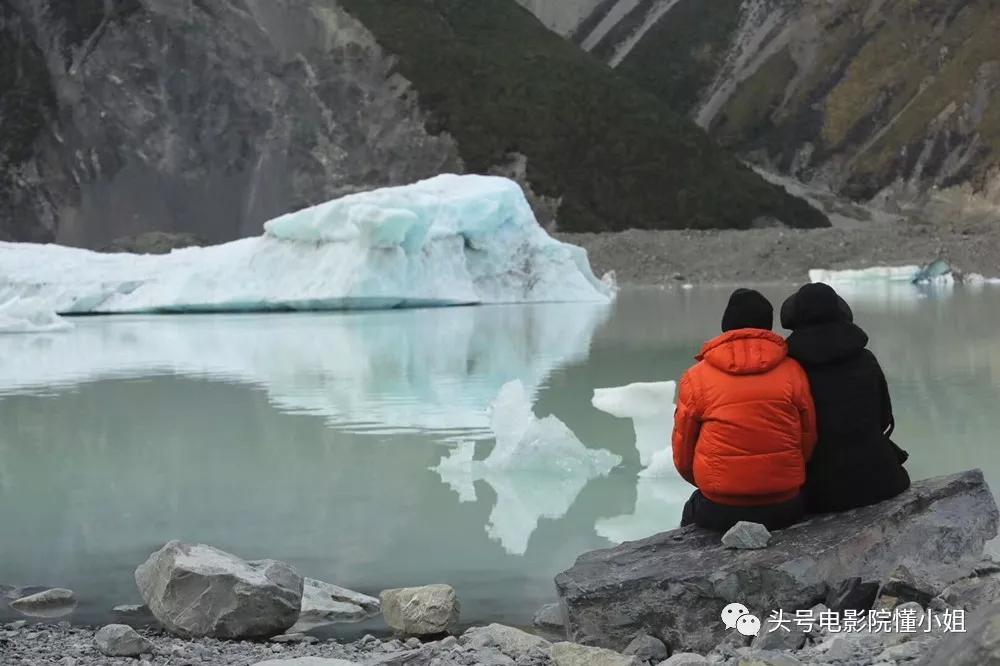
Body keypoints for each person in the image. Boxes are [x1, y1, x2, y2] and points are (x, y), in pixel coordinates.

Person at [673, 288, 817, 531]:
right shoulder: (793, 370)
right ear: (767, 326)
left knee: (691, 513)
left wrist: (710, 483)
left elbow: (683, 450)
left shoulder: (696, 377)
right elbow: (807, 438)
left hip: (720, 507)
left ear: (726, 324)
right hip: (783, 506)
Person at [780, 282, 910, 514]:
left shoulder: (789, 369)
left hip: (821, 492)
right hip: (883, 480)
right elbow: (884, 418)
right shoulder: (865, 359)